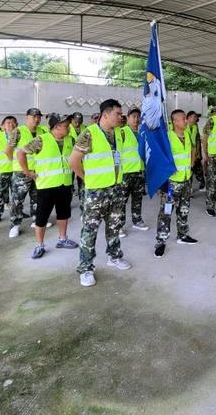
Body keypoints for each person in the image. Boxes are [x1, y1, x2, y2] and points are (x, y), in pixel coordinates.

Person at [69, 99, 132, 288]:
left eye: (121, 114)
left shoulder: (118, 133)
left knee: (114, 226)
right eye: (117, 114)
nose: (120, 117)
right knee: (90, 230)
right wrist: (86, 179)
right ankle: (86, 268)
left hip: (116, 188)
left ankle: (114, 256)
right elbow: (73, 161)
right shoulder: (90, 134)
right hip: (96, 192)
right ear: (105, 114)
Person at [17, 113, 79, 260]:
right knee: (42, 217)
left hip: (65, 184)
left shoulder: (71, 139)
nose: (69, 127)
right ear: (57, 126)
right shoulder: (41, 140)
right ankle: (39, 245)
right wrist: (27, 172)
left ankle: (62, 239)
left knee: (64, 213)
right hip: (46, 186)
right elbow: (21, 153)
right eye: (66, 125)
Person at [155, 110, 199, 258]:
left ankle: (183, 235)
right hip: (171, 184)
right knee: (166, 212)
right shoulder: (167, 137)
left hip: (186, 180)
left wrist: (192, 164)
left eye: (186, 118)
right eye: (183, 119)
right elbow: (158, 158)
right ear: (174, 121)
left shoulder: (187, 134)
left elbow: (193, 149)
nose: (186, 121)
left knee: (184, 210)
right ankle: (161, 241)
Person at [8, 108, 44, 238]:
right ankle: (15, 225)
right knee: (17, 200)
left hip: (38, 172)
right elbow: (8, 150)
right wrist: (21, 168)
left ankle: (36, 220)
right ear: (27, 117)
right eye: (33, 116)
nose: (36, 119)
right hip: (22, 172)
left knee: (37, 197)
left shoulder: (42, 131)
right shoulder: (18, 131)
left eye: (38, 116)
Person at [117, 108, 149, 232]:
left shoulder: (142, 132)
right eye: (133, 116)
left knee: (137, 198)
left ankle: (137, 220)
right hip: (125, 173)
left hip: (139, 171)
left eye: (138, 116)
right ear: (128, 117)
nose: (136, 119)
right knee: (121, 200)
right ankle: (118, 225)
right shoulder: (122, 132)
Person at [187, 111, 205, 192]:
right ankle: (189, 187)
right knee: (188, 170)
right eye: (194, 117)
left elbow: (197, 139)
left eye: (196, 117)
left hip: (195, 152)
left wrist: (198, 152)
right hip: (187, 153)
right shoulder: (183, 126)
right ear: (189, 118)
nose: (196, 119)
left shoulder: (195, 126)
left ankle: (202, 184)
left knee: (198, 169)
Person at [68, 112, 85, 198]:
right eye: (76, 122)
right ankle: (68, 201)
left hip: (82, 159)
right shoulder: (67, 128)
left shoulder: (85, 129)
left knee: (82, 181)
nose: (78, 124)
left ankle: (83, 200)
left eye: (80, 122)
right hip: (70, 159)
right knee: (69, 182)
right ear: (71, 120)